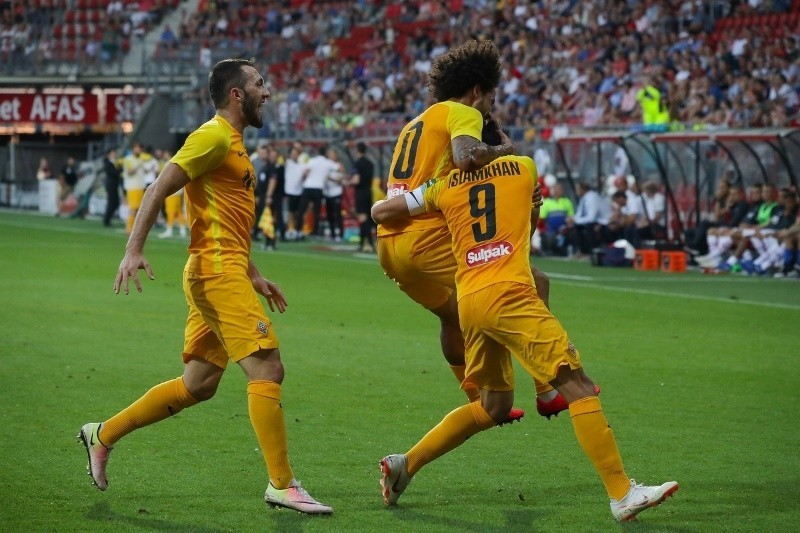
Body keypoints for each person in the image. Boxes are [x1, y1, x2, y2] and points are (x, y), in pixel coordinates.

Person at [371, 123, 678, 522]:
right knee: (578, 385)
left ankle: (405, 465)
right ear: (497, 142)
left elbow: (382, 211)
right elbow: (526, 230)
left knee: (492, 406)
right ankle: (621, 492)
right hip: (510, 294)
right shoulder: (523, 167)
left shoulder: (442, 186)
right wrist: (512, 163)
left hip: (470, 300)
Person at [77, 58, 332, 515]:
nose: (266, 92)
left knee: (199, 385)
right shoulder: (212, 136)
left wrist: (254, 273)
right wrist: (133, 249)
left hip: (222, 268)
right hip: (215, 273)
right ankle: (282, 484)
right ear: (237, 94)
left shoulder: (233, 143)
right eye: (259, 84)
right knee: (267, 368)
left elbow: (225, 221)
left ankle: (102, 434)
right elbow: (158, 188)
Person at [375, 39, 564, 423]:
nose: (490, 107)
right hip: (428, 237)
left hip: (390, 244)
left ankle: (477, 398)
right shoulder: (463, 112)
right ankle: (546, 389)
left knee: (452, 316)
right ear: (478, 91)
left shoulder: (415, 124)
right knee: (533, 282)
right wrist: (506, 152)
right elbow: (467, 157)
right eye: (491, 98)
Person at [298, 145, 338, 238]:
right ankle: (315, 232)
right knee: (316, 212)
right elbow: (339, 167)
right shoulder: (328, 162)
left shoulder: (312, 160)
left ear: (318, 152)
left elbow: (305, 172)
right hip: (318, 188)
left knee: (302, 209)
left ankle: (298, 230)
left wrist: (305, 178)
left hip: (308, 187)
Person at [349, 141, 376, 252]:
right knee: (367, 218)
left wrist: (348, 182)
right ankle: (365, 243)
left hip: (360, 193)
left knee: (362, 218)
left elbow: (356, 180)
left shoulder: (358, 163)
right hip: (368, 192)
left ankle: (367, 243)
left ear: (357, 150)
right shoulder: (370, 164)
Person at [158, 150, 188, 238]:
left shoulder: (170, 164)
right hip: (178, 190)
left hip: (171, 190)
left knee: (170, 210)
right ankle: (182, 229)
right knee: (178, 211)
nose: (164, 155)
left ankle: (169, 229)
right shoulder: (177, 162)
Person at [121, 142, 148, 235]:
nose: (138, 150)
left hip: (140, 187)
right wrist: (138, 165)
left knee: (138, 210)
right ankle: (129, 229)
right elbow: (130, 172)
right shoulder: (128, 159)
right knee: (133, 209)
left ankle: (134, 229)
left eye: (140, 148)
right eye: (137, 148)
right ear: (133, 149)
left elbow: (144, 171)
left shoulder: (140, 159)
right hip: (132, 187)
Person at [323, 148, 346, 242]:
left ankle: (340, 234)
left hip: (336, 192)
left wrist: (331, 178)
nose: (330, 156)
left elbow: (341, 178)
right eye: (329, 154)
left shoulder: (338, 165)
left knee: (337, 214)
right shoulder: (326, 164)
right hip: (327, 193)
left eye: (332, 154)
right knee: (329, 215)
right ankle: (332, 234)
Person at [102, 148, 122, 228]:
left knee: (115, 203)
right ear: (109, 154)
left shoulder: (115, 162)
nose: (114, 154)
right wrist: (120, 170)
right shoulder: (108, 163)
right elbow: (113, 173)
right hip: (111, 185)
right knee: (112, 203)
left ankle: (107, 218)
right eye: (113, 153)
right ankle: (106, 219)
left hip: (114, 185)